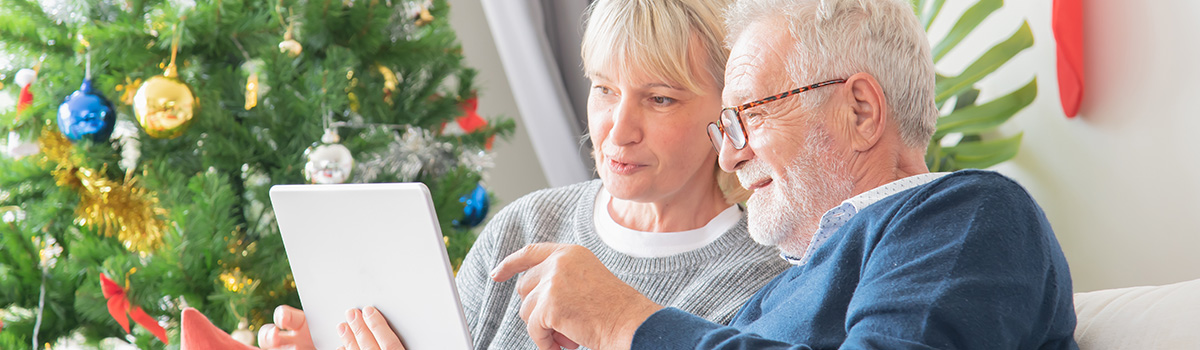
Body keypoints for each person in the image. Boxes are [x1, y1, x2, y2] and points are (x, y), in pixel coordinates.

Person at [416, 0, 1076, 349]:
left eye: (749, 117)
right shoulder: (780, 298)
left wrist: (628, 323)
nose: (728, 155)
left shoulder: (966, 215)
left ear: (861, 110)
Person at [257, 0, 790, 349]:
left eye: (659, 98)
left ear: (728, 111)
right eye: (604, 89)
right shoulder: (527, 224)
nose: (617, 130)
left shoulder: (761, 279)